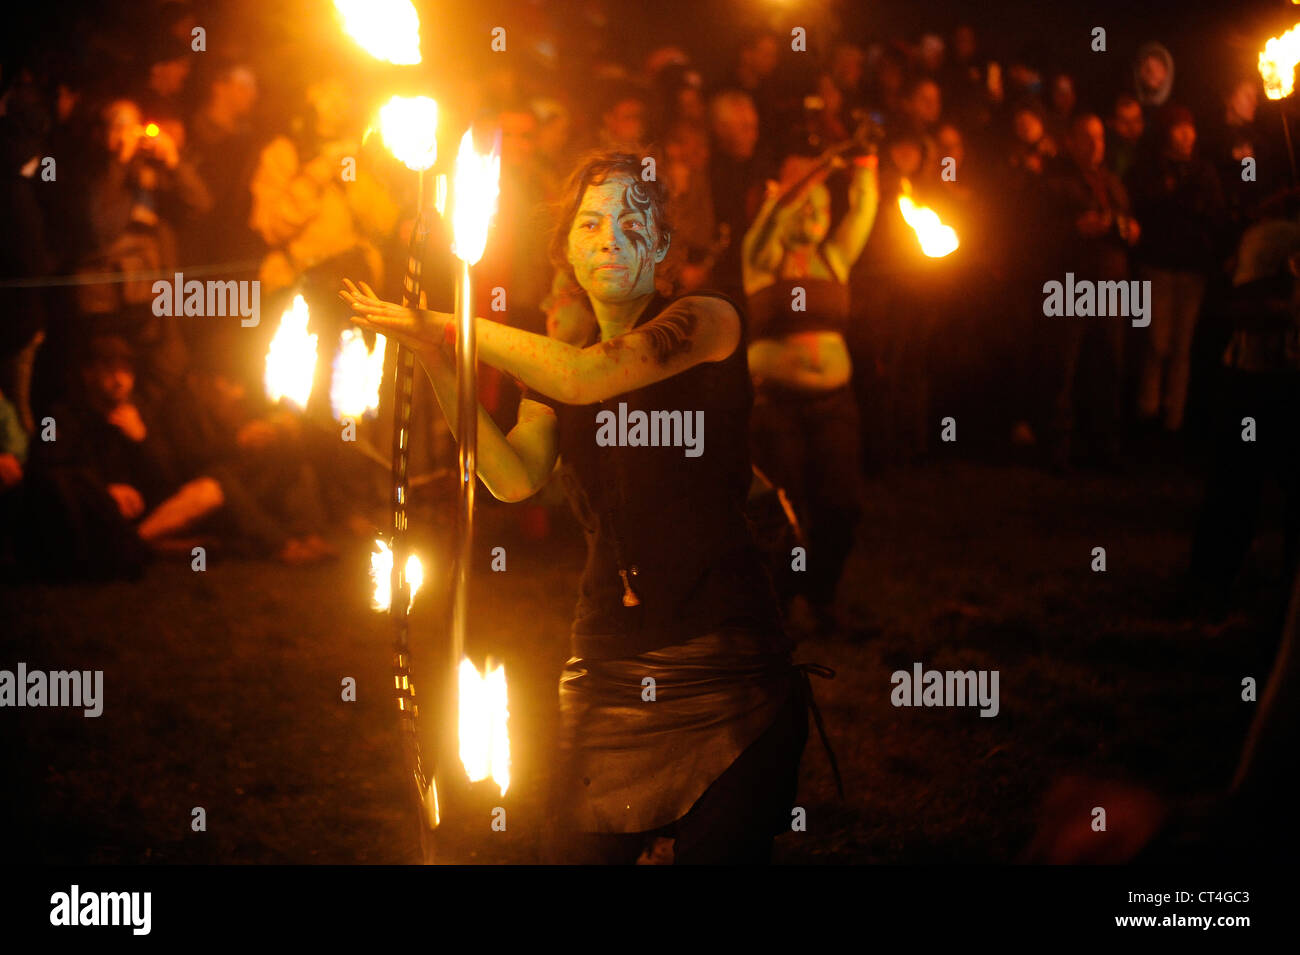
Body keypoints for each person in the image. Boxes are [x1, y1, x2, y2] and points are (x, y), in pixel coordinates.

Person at [341, 149, 822, 864]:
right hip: (607, 669)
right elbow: (511, 476)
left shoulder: (707, 319)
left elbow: (591, 375)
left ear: (662, 246)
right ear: (565, 246)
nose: (608, 237)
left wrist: (448, 325)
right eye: (590, 223)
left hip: (725, 670)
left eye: (633, 221)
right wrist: (436, 359)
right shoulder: (559, 368)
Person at [741, 140, 879, 634]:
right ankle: (781, 604)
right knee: (786, 510)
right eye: (805, 205)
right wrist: (821, 167)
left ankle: (823, 597)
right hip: (776, 406)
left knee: (841, 505)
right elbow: (778, 208)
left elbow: (865, 207)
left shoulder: (834, 258)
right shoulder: (759, 259)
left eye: (820, 208)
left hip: (834, 405)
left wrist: (864, 163)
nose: (812, 215)